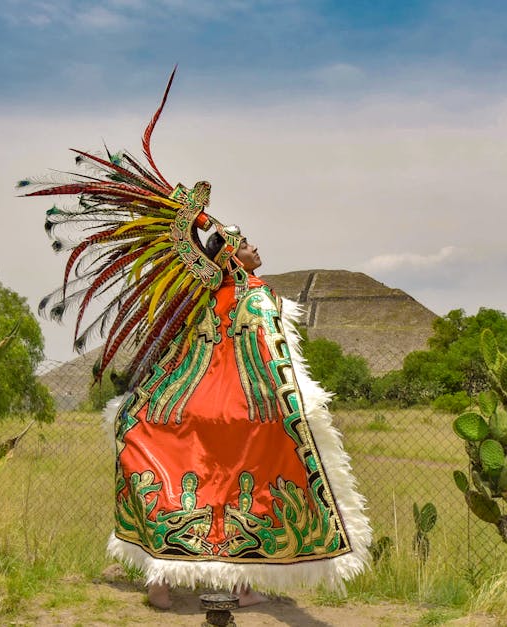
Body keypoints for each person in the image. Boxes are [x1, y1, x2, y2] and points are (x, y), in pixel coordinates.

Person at [24, 70, 371, 610]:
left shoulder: (226, 297)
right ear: (228, 255)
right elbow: (266, 354)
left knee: (227, 488)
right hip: (228, 408)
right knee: (233, 485)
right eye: (244, 245)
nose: (255, 248)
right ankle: (200, 583)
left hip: (210, 405)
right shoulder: (236, 297)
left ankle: (196, 582)